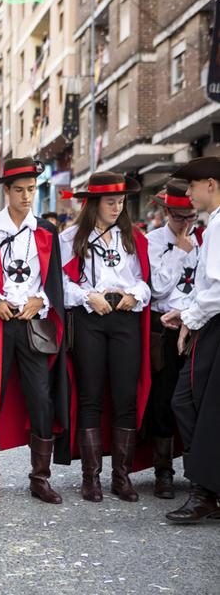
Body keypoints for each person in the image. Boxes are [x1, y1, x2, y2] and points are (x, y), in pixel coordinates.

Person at [0, 158, 68, 506]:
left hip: (32, 324)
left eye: (31, 189)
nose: (26, 196)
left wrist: (39, 301)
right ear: (6, 191)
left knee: (40, 399)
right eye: (19, 190)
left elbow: (52, 279)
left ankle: (40, 479)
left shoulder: (45, 230)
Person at [60, 172, 151, 503]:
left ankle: (121, 477)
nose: (118, 207)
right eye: (111, 201)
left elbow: (144, 280)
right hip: (90, 319)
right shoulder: (71, 238)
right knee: (90, 396)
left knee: (125, 397)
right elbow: (62, 284)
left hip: (126, 319)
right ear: (94, 202)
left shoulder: (134, 238)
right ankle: (91, 477)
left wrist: (134, 295)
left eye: (121, 201)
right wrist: (87, 296)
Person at [163, 157, 220, 523]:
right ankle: (206, 490)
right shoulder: (213, 224)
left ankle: (204, 492)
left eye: (193, 186)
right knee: (197, 404)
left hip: (214, 327)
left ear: (211, 185)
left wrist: (190, 318)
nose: (188, 194)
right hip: (210, 323)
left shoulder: (219, 225)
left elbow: (218, 289)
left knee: (189, 401)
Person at [144, 179, 199, 499]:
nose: (185, 223)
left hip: (195, 327)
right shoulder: (152, 241)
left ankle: (197, 470)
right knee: (163, 399)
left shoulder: (204, 240)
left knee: (196, 399)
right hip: (163, 329)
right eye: (179, 217)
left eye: (190, 217)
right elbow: (159, 289)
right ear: (166, 211)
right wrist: (179, 252)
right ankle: (163, 469)